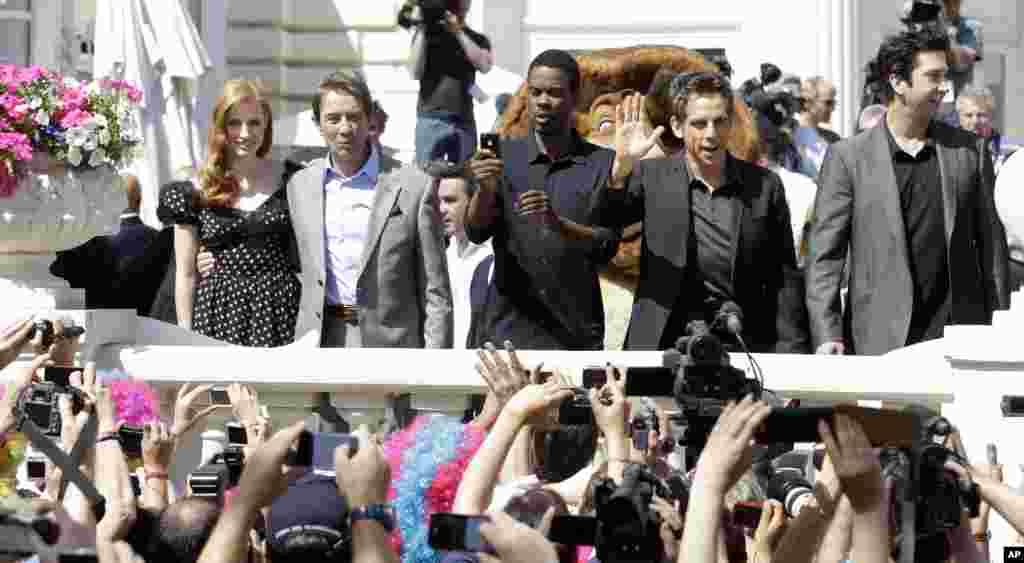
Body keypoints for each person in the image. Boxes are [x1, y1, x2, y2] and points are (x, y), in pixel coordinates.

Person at [805, 26, 1010, 356]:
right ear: (898, 82)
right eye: (932, 76)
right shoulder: (848, 157)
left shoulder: (970, 151)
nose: (943, 87)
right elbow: (825, 259)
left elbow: (992, 251)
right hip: (878, 339)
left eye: (945, 76)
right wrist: (827, 333)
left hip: (958, 339)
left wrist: (999, 327)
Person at [596, 74, 808, 353]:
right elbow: (604, 222)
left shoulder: (765, 186)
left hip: (743, 341)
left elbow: (784, 278)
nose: (710, 134)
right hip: (663, 342)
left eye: (719, 121)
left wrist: (792, 353)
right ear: (677, 126)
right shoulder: (650, 177)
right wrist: (622, 166)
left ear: (730, 123)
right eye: (698, 123)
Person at [464, 49, 620, 350]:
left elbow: (607, 245)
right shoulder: (502, 156)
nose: (543, 101)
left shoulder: (602, 163)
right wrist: (485, 189)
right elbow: (476, 231)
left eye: (554, 93)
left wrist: (557, 225)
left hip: (575, 334)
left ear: (576, 98)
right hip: (510, 332)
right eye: (535, 92)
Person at [284, 70, 452, 350]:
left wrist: (435, 364)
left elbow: (435, 290)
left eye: (354, 117)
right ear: (318, 124)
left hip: (391, 343)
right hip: (320, 340)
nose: (345, 128)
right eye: (333, 119)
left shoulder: (414, 186)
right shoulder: (300, 186)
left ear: (370, 120)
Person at [158, 79, 300, 347]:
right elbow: (185, 274)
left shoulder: (293, 179)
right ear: (221, 126)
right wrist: (186, 336)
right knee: (219, 388)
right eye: (235, 123)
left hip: (278, 309)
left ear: (267, 125)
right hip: (217, 311)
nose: (245, 133)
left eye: (255, 123)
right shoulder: (195, 189)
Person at [408, 0, 492, 164]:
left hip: (463, 120)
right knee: (425, 178)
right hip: (431, 119)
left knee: (465, 179)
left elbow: (484, 66)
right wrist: (422, 26)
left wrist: (458, 32)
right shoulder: (427, 35)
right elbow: (414, 72)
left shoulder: (476, 38)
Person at [427, 161, 493, 349]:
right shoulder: (446, 255)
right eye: (438, 201)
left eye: (450, 200)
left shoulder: (493, 256)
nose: (441, 209)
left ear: (473, 201)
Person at [956, 85, 1017, 175]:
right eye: (968, 115)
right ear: (959, 117)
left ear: (992, 116)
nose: (975, 121)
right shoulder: (946, 150)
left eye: (981, 115)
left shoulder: (1011, 151)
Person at [794, 77, 841, 177]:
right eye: (828, 103)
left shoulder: (834, 138)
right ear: (808, 103)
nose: (832, 108)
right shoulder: (788, 139)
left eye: (833, 103)